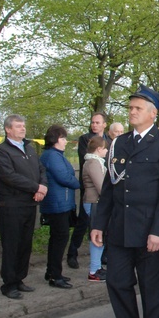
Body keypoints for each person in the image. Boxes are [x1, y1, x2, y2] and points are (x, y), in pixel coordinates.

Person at [90, 85, 159, 318]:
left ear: (153, 114)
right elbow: (110, 187)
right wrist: (98, 223)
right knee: (116, 282)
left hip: (149, 231)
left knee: (151, 291)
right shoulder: (120, 142)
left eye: (137, 108)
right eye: (130, 107)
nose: (131, 112)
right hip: (119, 227)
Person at [0, 114, 48, 300]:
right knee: (12, 244)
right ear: (8, 129)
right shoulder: (2, 151)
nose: (22, 129)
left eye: (23, 125)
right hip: (12, 204)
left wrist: (42, 187)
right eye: (18, 126)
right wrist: (36, 187)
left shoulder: (29, 148)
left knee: (25, 243)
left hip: (30, 203)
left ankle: (19, 278)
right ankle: (8, 283)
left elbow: (41, 170)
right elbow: (9, 176)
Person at [39, 124, 79, 289]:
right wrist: (78, 183)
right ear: (56, 139)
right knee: (59, 238)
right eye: (63, 138)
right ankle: (55, 275)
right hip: (57, 203)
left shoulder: (55, 155)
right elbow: (64, 177)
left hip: (61, 202)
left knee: (58, 238)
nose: (65, 141)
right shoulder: (52, 156)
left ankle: (52, 271)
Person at [68, 112, 110, 270]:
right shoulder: (86, 140)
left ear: (104, 124)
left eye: (98, 122)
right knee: (84, 222)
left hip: (101, 189)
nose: (94, 125)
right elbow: (88, 161)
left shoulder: (108, 141)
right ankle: (73, 253)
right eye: (93, 122)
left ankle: (100, 258)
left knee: (101, 226)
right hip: (91, 190)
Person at [81, 136, 108, 281]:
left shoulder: (96, 162)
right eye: (105, 148)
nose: (106, 151)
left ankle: (97, 267)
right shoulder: (93, 163)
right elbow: (101, 186)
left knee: (100, 235)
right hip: (94, 202)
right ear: (98, 149)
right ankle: (94, 270)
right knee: (97, 236)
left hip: (96, 202)